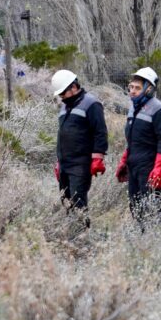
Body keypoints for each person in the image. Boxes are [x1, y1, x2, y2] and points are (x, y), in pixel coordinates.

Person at [114, 67, 161, 227]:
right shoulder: (133, 108)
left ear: (149, 89)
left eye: (137, 88)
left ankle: (158, 239)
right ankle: (143, 241)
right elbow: (132, 140)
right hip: (134, 166)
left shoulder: (158, 109)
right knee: (135, 207)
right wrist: (124, 161)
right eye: (131, 87)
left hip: (149, 167)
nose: (132, 91)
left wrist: (159, 168)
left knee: (151, 207)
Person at [51, 69, 108, 219]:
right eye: (60, 94)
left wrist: (97, 158)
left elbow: (100, 132)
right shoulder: (65, 107)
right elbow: (62, 135)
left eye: (63, 93)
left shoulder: (91, 104)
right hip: (65, 164)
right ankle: (71, 237)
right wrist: (59, 161)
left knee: (78, 203)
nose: (62, 97)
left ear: (74, 87)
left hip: (80, 165)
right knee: (66, 203)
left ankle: (83, 235)